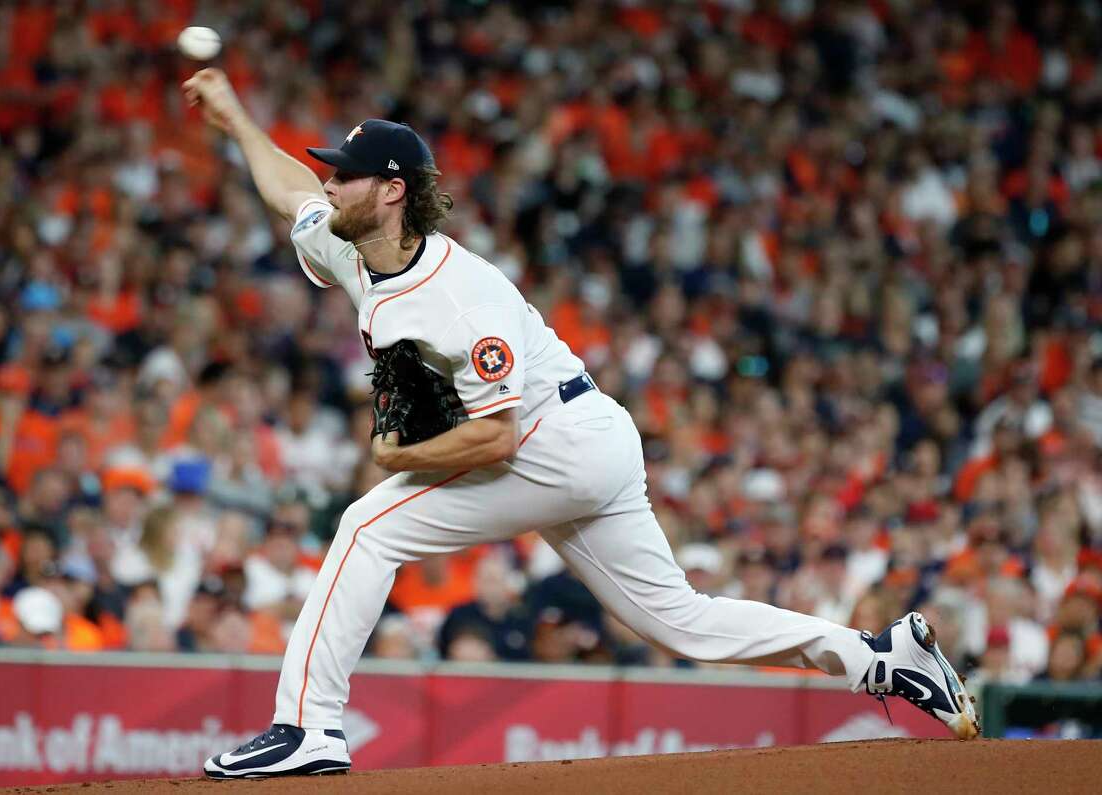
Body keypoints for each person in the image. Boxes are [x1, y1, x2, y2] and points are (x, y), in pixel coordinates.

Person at [182, 68, 980, 779]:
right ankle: (880, 658)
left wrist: (404, 454)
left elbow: (493, 438)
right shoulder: (355, 250)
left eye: (346, 177)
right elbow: (289, 190)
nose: (331, 186)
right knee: (682, 620)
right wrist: (234, 119)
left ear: (391, 191)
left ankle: (309, 727)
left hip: (548, 440)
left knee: (366, 527)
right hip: (582, 437)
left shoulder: (462, 298)